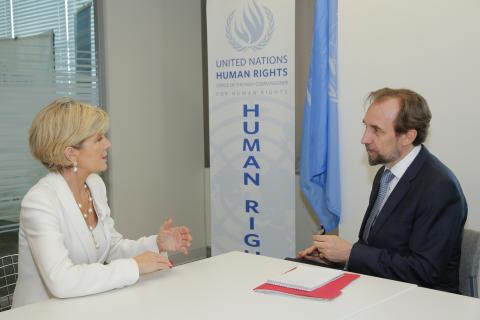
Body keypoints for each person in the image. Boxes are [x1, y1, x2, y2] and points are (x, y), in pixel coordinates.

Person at [13, 98, 193, 307]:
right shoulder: (39, 202)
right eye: (98, 139)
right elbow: (61, 281)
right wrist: (134, 266)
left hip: (84, 306)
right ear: (71, 153)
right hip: (40, 313)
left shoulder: (94, 185)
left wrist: (156, 244)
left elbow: (111, 248)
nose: (108, 144)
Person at [298, 88, 467, 293]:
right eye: (366, 127)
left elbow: (424, 271)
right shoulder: (385, 174)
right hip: (380, 290)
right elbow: (375, 246)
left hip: (423, 303)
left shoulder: (439, 187)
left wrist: (351, 254)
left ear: (407, 136)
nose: (364, 138)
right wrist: (332, 255)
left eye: (376, 130)